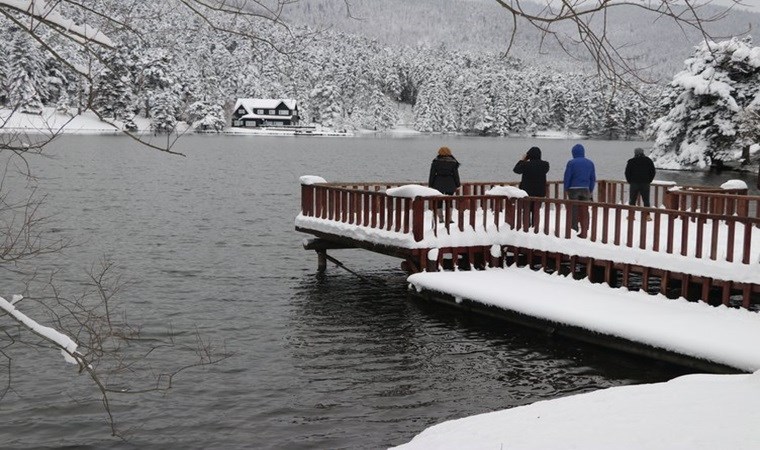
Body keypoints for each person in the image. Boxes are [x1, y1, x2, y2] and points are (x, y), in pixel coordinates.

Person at [563, 143, 596, 233]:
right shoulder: (590, 163)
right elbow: (592, 178)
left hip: (573, 189)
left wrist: (566, 188)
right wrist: (590, 189)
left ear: (573, 153)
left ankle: (574, 228)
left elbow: (567, 177)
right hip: (585, 189)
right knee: (585, 209)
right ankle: (585, 227)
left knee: (574, 209)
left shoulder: (571, 163)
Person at [513, 146, 550, 227]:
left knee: (526, 211)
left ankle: (526, 227)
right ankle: (535, 227)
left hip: (526, 193)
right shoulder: (545, 165)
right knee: (536, 211)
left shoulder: (525, 165)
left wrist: (523, 160)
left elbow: (516, 170)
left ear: (529, 155)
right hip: (539, 193)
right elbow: (545, 170)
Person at [429, 146, 461, 222]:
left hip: (438, 183)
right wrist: (458, 184)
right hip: (450, 183)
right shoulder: (453, 162)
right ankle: (449, 218)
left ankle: (440, 218)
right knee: (449, 201)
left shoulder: (435, 162)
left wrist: (430, 185)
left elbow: (432, 175)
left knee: (439, 201)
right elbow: (456, 175)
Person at [625, 147, 656, 219]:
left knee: (632, 200)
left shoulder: (631, 161)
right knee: (646, 200)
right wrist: (649, 180)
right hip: (645, 183)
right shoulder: (648, 161)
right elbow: (653, 172)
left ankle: (631, 215)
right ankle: (647, 215)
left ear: (635, 153)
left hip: (634, 183)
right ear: (643, 152)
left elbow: (627, 173)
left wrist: (630, 181)